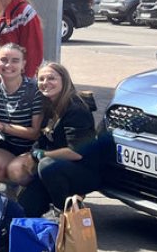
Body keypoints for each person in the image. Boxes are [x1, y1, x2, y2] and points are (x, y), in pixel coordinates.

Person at [16, 62, 100, 217]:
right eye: (41, 79)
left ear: (64, 80)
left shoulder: (77, 109)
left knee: (47, 165)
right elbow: (41, 141)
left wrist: (41, 155)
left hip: (86, 170)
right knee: (23, 212)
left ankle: (63, 212)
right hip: (59, 167)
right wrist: (33, 153)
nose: (45, 83)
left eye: (51, 78)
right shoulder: (48, 105)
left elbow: (77, 153)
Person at [0, 43, 43, 189]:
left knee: (16, 170)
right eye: (4, 60)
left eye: (15, 60)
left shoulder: (34, 90)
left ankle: (37, 191)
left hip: (32, 147)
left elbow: (35, 133)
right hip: (9, 145)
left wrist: (1, 126)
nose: (8, 65)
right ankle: (15, 187)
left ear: (23, 65)